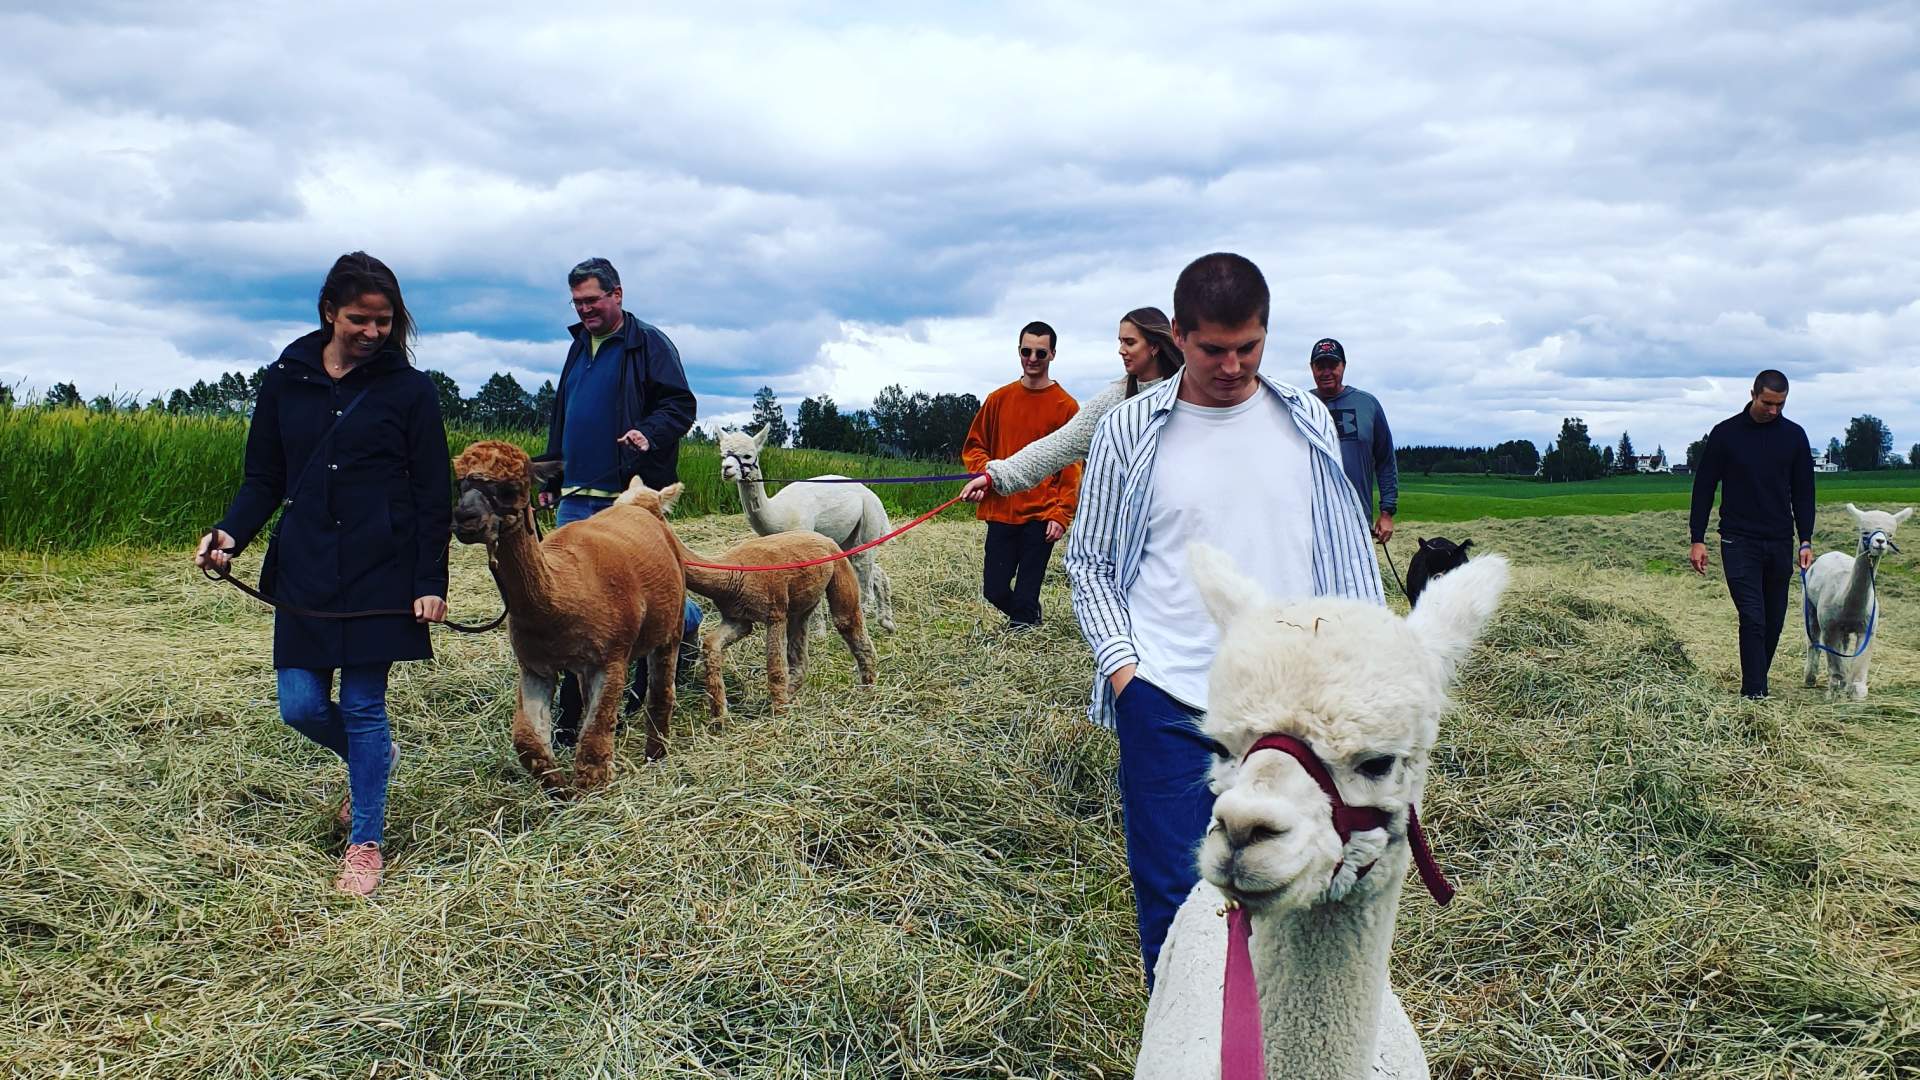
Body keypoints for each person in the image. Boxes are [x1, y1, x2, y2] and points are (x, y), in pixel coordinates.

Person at [1064, 253, 1383, 986]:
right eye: (1214, 349)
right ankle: (1183, 1048)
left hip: (1292, 711)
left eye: (1250, 347)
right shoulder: (1130, 430)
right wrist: (1125, 674)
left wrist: (1365, 672)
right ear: (1179, 334)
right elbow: (1091, 564)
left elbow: (1343, 554)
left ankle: (1278, 1046)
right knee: (1180, 904)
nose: (1234, 365)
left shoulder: (1304, 418)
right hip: (1169, 698)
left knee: (1297, 888)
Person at [194, 252, 450, 897]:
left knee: (364, 706)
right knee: (300, 707)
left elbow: (431, 495)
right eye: (359, 320)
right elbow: (264, 477)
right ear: (329, 312)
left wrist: (430, 581)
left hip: (382, 566)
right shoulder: (286, 377)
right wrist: (229, 535)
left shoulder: (410, 391)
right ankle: (375, 763)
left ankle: (366, 840)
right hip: (306, 563)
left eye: (385, 322)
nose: (373, 333)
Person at [540, 257, 703, 745]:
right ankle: (578, 703)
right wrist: (550, 473)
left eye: (592, 300)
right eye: (577, 302)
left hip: (627, 497)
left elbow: (680, 405)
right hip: (575, 497)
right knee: (574, 601)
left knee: (640, 600)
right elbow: (562, 414)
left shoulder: (648, 343)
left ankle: (682, 631)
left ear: (617, 294)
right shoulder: (577, 348)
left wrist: (647, 435)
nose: (585, 309)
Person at [959, 307, 1184, 503]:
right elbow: (1057, 446)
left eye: (1130, 342)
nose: (1121, 350)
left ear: (1154, 347)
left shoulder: (1188, 393)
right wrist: (995, 476)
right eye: (1120, 341)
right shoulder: (1113, 400)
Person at [1687, 369, 1816, 699]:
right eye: (1768, 403)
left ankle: (1757, 681)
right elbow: (1704, 487)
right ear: (1753, 394)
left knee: (1773, 622)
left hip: (1779, 540)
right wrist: (1697, 538)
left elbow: (1804, 492)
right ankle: (1755, 695)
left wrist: (1805, 539)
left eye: (1780, 405)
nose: (1773, 411)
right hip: (1738, 539)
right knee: (1753, 617)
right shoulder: (1726, 434)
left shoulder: (1794, 437)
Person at [961, 321, 1081, 628]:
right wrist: (984, 475)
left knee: (1027, 595)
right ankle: (1028, 620)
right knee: (995, 590)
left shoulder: (1066, 407)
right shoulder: (998, 400)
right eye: (1026, 351)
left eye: (1040, 353)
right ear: (1019, 352)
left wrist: (1060, 514)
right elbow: (975, 446)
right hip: (1002, 510)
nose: (1032, 358)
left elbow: (1072, 467)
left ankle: (1022, 647)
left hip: (1041, 516)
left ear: (1052, 354)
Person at [1307, 337, 1398, 544]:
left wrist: (1387, 512)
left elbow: (1385, 461)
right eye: (1320, 366)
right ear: (1312, 368)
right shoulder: (1302, 406)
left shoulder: (1367, 404)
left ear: (1344, 366)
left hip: (1357, 521)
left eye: (1333, 365)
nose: (1326, 372)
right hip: (1311, 523)